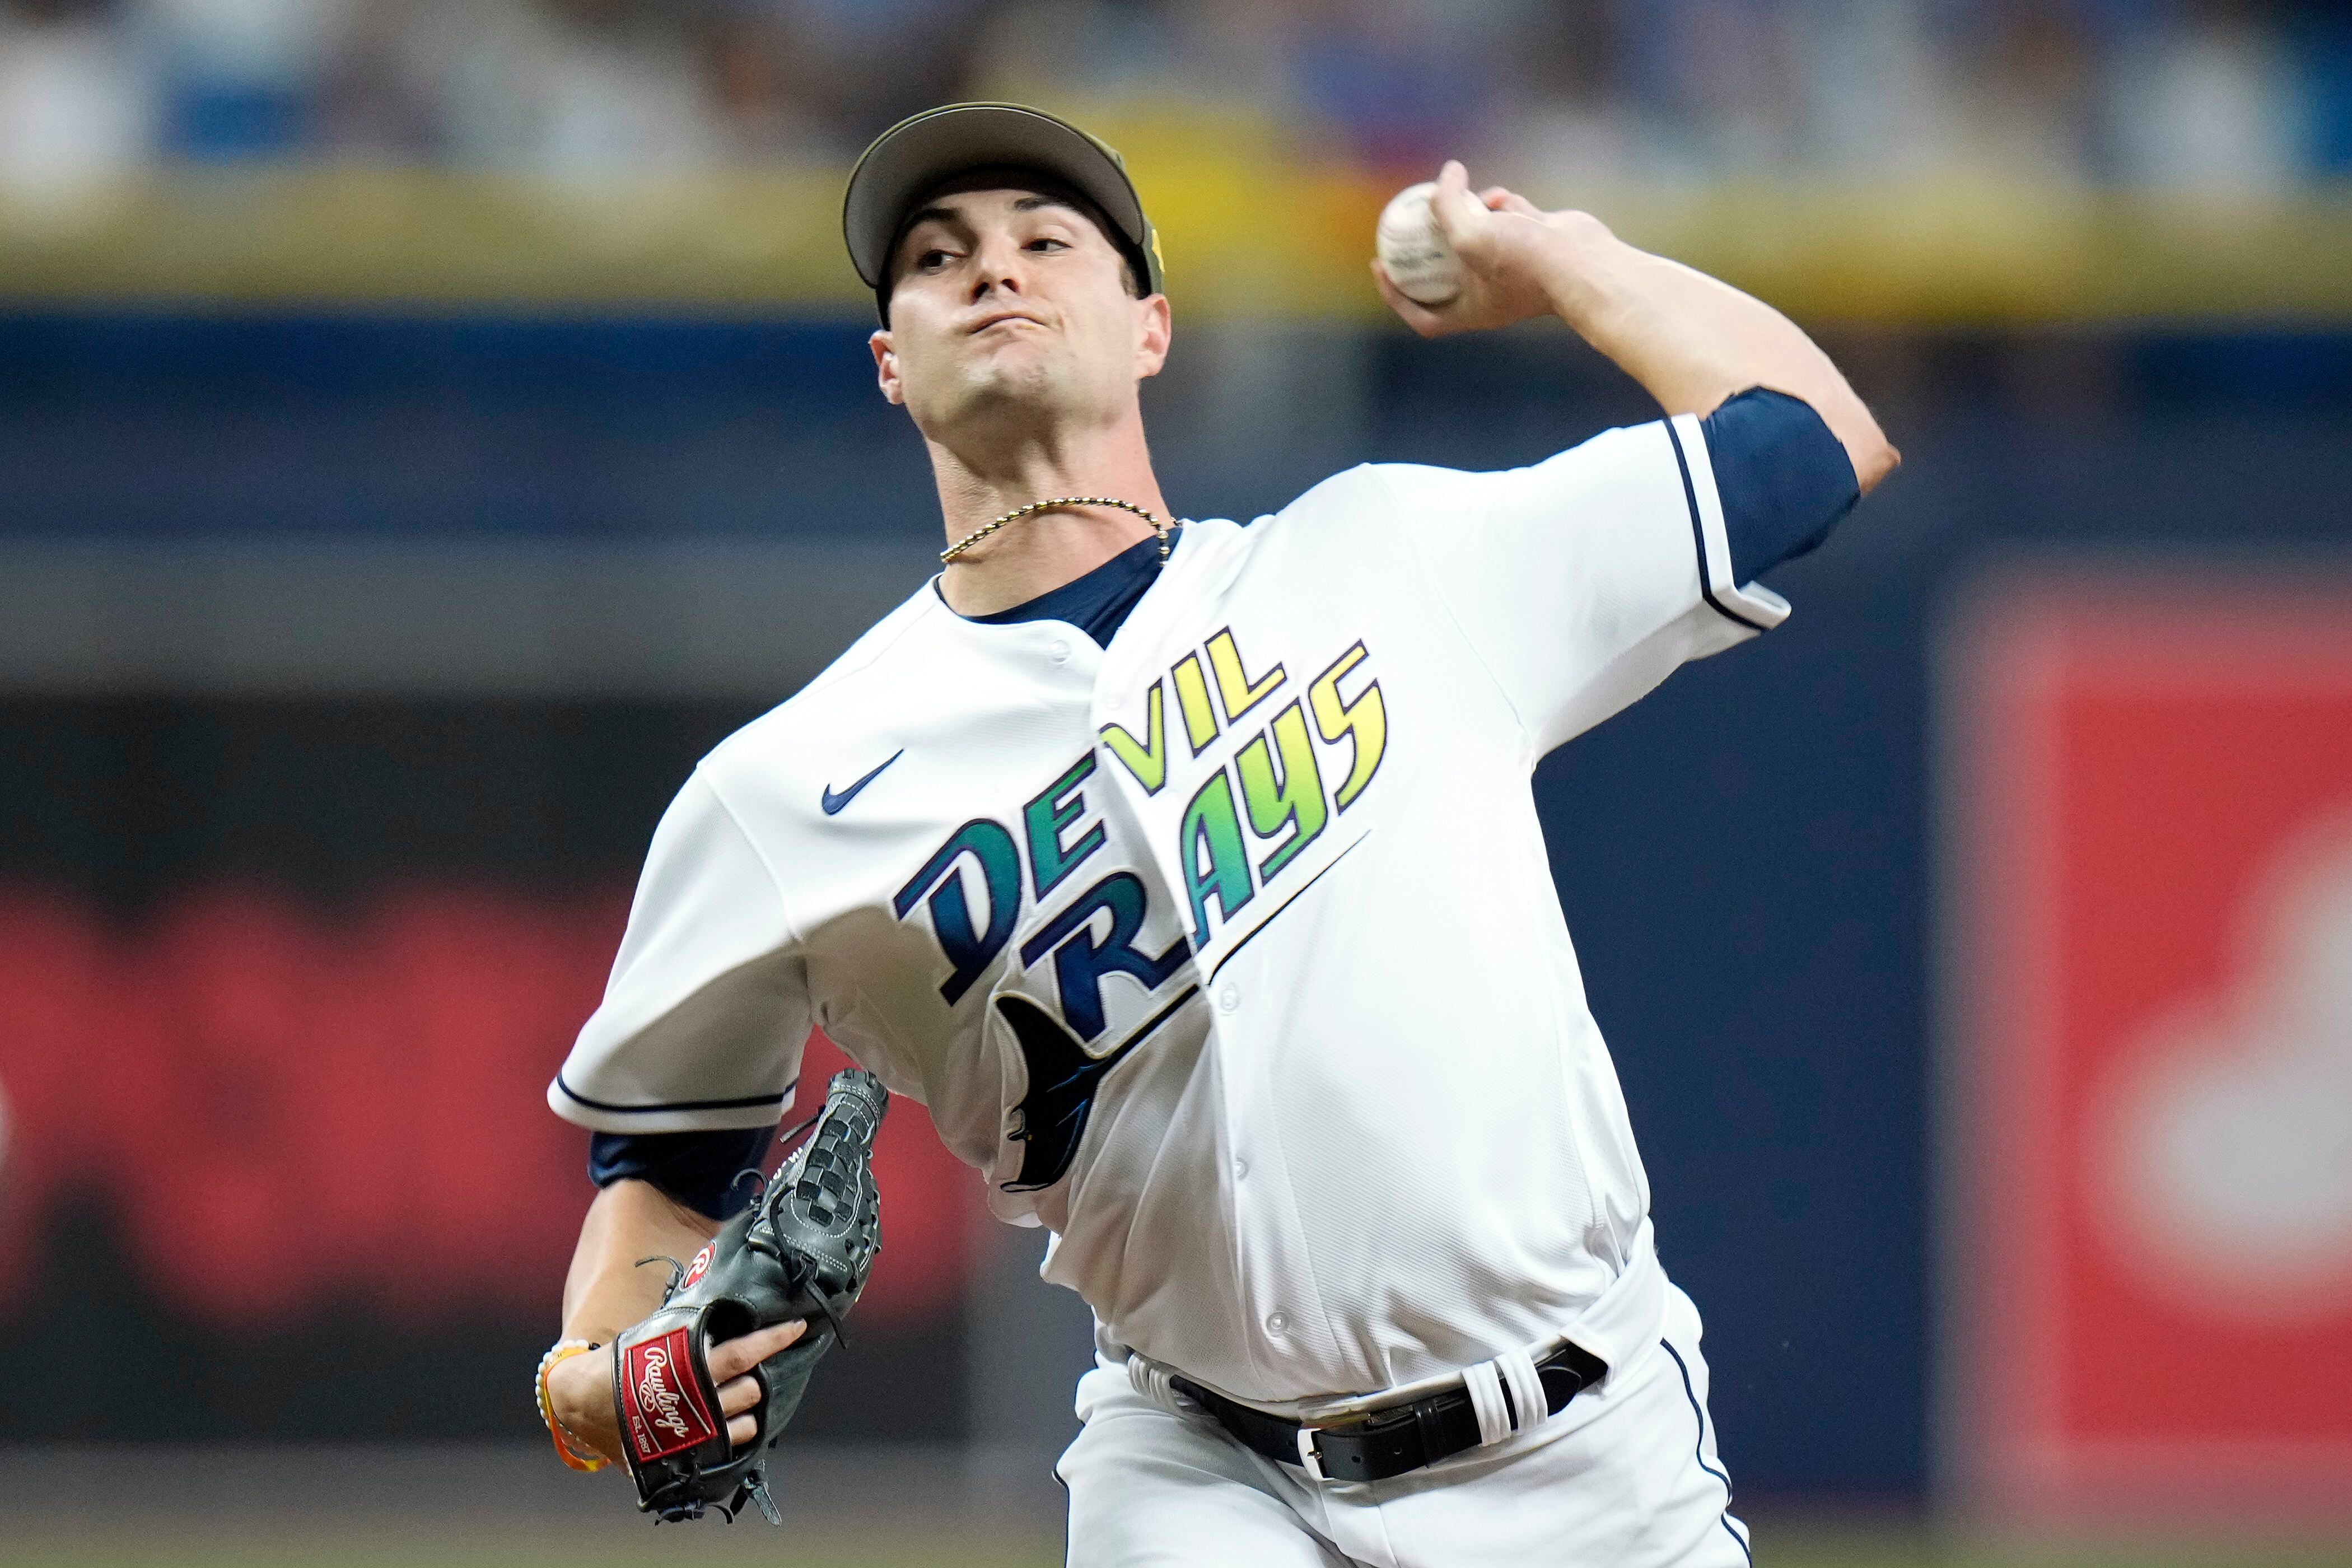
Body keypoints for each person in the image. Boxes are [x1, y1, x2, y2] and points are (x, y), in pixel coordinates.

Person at [539, 101, 1896, 1566]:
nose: (992, 268)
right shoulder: (781, 795)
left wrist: (1560, 260)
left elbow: (1814, 441)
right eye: (937, 257)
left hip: (1581, 1449)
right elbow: (658, 1188)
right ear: (892, 365)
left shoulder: (1394, 560)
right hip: (1197, 1473)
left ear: (1151, 330)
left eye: (1045, 241)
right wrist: (597, 1384)